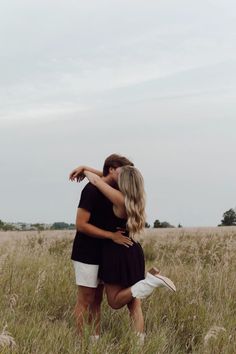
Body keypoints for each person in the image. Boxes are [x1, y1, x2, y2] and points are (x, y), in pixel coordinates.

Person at [70, 161, 176, 342]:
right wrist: (88, 169)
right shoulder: (136, 198)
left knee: (114, 301)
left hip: (117, 252)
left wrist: (85, 168)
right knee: (134, 303)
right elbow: (106, 177)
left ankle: (149, 282)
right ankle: (138, 344)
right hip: (133, 249)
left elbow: (97, 181)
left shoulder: (119, 198)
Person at [70, 154, 135, 340]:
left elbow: (105, 175)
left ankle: (95, 340)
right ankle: (80, 344)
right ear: (113, 169)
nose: (127, 177)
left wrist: (85, 167)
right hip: (86, 252)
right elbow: (81, 224)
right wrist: (111, 236)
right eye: (123, 171)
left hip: (106, 253)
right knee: (86, 299)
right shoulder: (91, 190)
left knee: (97, 300)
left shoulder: (115, 189)